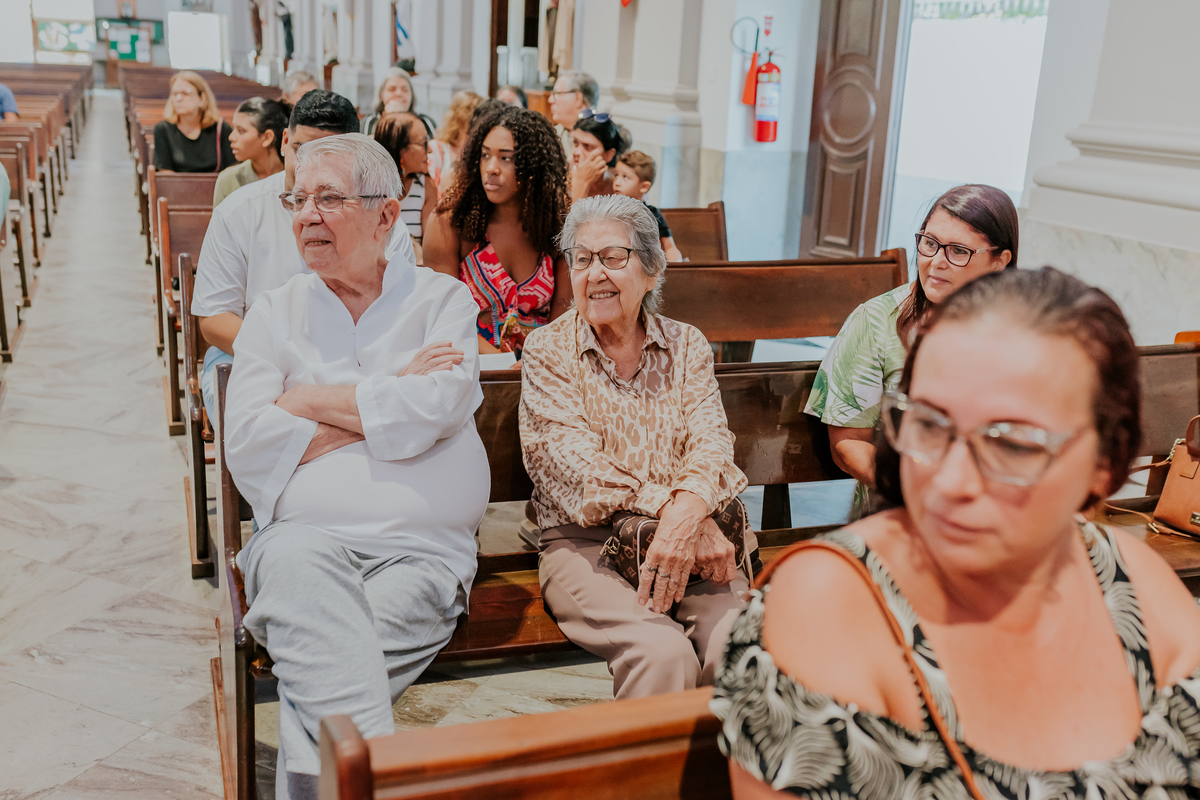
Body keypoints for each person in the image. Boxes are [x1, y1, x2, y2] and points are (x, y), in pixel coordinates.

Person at [713, 266, 1200, 798]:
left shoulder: (1129, 583)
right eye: (929, 422)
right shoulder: (825, 603)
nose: (951, 480)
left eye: (1012, 443)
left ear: (1104, 465)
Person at [225, 134, 489, 800]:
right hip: (299, 546)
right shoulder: (274, 313)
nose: (307, 214)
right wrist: (389, 396)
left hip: (421, 556)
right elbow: (252, 440)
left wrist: (307, 400)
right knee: (333, 649)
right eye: (299, 199)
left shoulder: (442, 302)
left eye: (329, 197)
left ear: (384, 214)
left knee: (319, 668)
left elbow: (439, 404)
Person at [520, 194, 753, 699]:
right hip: (587, 543)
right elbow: (569, 462)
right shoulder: (548, 350)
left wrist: (688, 512)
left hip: (693, 538)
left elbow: (712, 442)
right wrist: (678, 509)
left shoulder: (686, 344)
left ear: (651, 270)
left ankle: (727, 779)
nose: (594, 273)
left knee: (740, 646)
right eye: (582, 259)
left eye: (614, 257)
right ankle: (644, 779)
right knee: (659, 651)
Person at [193, 90, 415, 424]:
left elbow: (401, 307)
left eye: (332, 153)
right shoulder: (239, 212)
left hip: (360, 359)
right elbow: (214, 319)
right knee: (270, 432)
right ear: (284, 140)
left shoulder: (380, 220)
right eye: (301, 150)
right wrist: (293, 357)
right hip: (251, 356)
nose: (314, 165)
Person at [805, 184, 1017, 520]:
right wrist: (920, 492)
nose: (936, 262)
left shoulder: (1024, 331)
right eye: (930, 244)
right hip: (901, 508)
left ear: (998, 262)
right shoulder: (876, 321)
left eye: (958, 251)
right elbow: (847, 445)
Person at [423, 106, 571, 356]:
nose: (491, 168)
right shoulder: (449, 223)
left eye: (506, 158)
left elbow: (564, 324)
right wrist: (505, 367)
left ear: (534, 167)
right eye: (485, 155)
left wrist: (535, 368)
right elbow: (443, 318)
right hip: (470, 370)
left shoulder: (556, 228)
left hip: (542, 370)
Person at [372, 112, 436, 258]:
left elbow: (430, 249)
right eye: (424, 143)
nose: (430, 150)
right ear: (400, 149)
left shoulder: (425, 186)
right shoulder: (368, 190)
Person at [152, 71, 235, 173]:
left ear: (202, 99)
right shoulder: (163, 129)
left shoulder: (221, 128)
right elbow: (165, 173)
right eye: (174, 94)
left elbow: (233, 169)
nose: (178, 98)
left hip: (217, 187)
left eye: (185, 93)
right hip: (177, 188)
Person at [213, 97, 290, 206]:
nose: (231, 137)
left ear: (267, 138)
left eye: (241, 131)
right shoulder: (228, 179)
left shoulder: (293, 175)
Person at [613, 151, 682, 262]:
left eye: (625, 177)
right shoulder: (609, 211)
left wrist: (675, 263)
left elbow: (669, 247)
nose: (617, 182)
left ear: (644, 187)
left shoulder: (652, 214)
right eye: (616, 175)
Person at [426, 90, 482, 194]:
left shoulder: (481, 151)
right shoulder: (436, 149)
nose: (476, 125)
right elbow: (430, 190)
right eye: (471, 119)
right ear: (458, 119)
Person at [569, 112, 630, 202]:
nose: (576, 152)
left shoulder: (617, 188)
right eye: (576, 143)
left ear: (609, 155)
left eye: (587, 146)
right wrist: (581, 182)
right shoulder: (561, 184)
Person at [360, 67, 436, 136]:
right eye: (392, 89)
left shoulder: (425, 122)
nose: (399, 94)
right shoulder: (370, 122)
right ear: (381, 95)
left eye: (405, 90)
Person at [547, 70, 598, 153]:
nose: (550, 100)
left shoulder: (602, 138)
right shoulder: (551, 135)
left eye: (557, 93)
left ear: (578, 98)